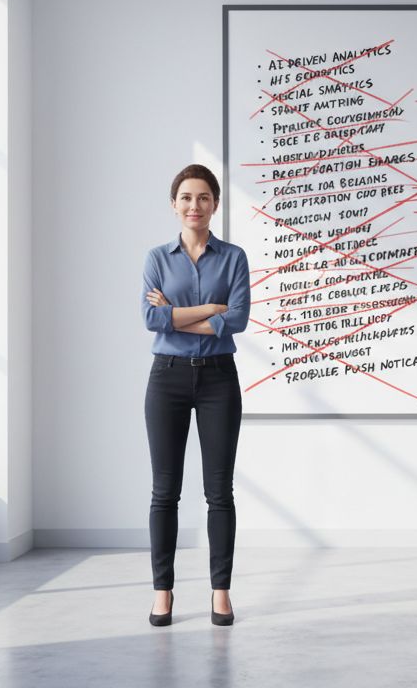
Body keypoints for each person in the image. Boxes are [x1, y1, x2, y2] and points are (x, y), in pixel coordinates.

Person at [140, 163, 250, 627]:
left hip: (219, 380)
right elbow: (152, 321)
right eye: (186, 197)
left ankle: (220, 593)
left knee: (218, 493)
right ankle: (162, 592)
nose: (194, 206)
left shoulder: (234, 257)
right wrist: (210, 310)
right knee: (165, 493)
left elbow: (238, 319)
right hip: (166, 378)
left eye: (203, 197)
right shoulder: (156, 258)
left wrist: (177, 313)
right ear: (174, 204)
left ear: (215, 204)